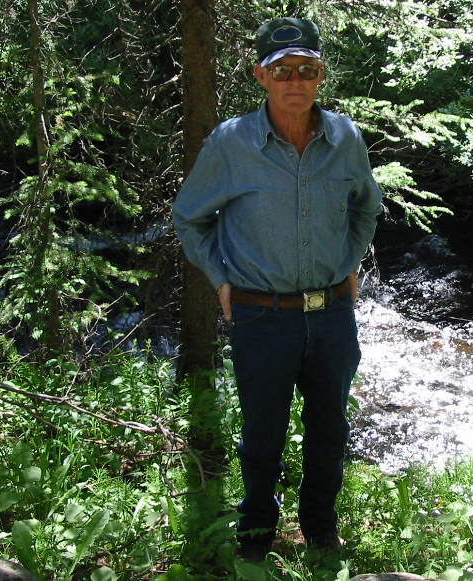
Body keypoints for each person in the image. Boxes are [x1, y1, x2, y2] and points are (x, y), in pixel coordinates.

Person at [172, 17, 382, 561]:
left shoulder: (345, 139)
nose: (295, 81)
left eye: (306, 70)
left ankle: (319, 530)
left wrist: (350, 261)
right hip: (261, 317)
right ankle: (256, 536)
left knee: (330, 429)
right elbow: (190, 217)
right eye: (282, 69)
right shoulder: (231, 144)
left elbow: (366, 207)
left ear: (320, 76)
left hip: (333, 314)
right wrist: (221, 279)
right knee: (261, 435)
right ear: (261, 76)